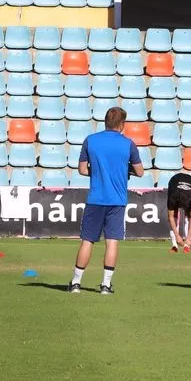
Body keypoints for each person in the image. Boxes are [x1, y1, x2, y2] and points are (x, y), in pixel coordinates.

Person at [68, 107, 143, 295]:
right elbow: (140, 172)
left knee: (87, 241)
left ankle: (76, 283)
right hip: (117, 200)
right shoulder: (128, 144)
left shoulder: (90, 140)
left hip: (96, 199)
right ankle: (105, 285)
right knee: (112, 242)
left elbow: (82, 170)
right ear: (122, 124)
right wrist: (124, 170)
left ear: (105, 122)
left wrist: (99, 172)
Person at [166, 172, 191, 254]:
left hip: (190, 181)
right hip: (174, 181)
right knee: (174, 216)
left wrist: (189, 237)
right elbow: (170, 217)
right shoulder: (173, 197)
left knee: (188, 216)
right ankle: (174, 246)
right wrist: (177, 236)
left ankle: (187, 245)